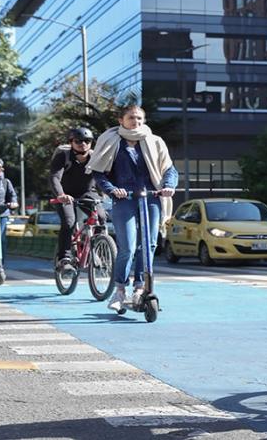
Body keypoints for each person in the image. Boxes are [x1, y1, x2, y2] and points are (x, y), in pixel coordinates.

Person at [88, 105, 178, 311]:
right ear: (121, 120)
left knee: (149, 245)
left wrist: (168, 187)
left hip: (151, 196)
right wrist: (112, 189)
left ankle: (140, 287)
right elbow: (98, 172)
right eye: (131, 118)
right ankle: (120, 290)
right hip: (124, 198)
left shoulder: (155, 141)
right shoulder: (111, 141)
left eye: (139, 118)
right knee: (128, 246)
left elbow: (169, 169)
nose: (135, 121)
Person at [50, 126, 106, 271]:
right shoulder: (63, 156)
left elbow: (104, 178)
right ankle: (64, 258)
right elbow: (55, 177)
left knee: (101, 217)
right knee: (69, 222)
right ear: (71, 142)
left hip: (87, 193)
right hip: (65, 195)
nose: (83, 144)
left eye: (87, 141)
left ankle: (97, 249)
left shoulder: (95, 157)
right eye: (78, 141)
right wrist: (61, 195)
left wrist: (112, 192)